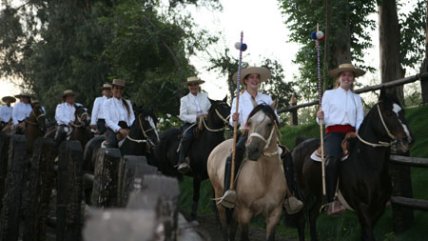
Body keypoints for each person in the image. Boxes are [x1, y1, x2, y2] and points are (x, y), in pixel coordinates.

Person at [218, 66, 303, 212]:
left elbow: (275, 118)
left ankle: (291, 195)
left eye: (257, 77)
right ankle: (229, 190)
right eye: (251, 77)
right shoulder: (238, 100)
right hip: (247, 134)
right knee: (234, 155)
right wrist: (234, 118)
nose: (255, 80)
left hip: (265, 135)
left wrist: (272, 119)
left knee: (287, 155)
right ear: (245, 81)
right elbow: (233, 123)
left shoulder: (266, 98)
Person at [316, 63, 365, 215]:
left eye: (350, 75)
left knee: (370, 156)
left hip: (353, 134)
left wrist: (357, 132)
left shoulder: (357, 98)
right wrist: (320, 117)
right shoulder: (329, 95)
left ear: (353, 79)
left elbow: (360, 119)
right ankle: (331, 200)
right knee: (333, 161)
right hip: (334, 133)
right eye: (343, 75)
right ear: (339, 78)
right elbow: (321, 121)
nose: (346, 77)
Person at [176, 76, 211, 174]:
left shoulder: (205, 96)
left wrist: (206, 115)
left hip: (206, 122)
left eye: (195, 84)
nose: (193, 86)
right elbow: (182, 115)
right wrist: (196, 117)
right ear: (188, 87)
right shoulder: (184, 99)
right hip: (191, 123)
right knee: (187, 136)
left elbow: (210, 108)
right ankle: (182, 160)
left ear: (198, 85)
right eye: (191, 85)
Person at [102, 79, 135, 148]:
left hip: (128, 129)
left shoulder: (128, 103)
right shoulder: (107, 103)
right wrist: (120, 129)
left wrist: (131, 129)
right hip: (113, 129)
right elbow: (108, 121)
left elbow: (132, 118)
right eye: (116, 88)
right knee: (112, 144)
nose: (119, 90)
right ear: (112, 89)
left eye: (121, 89)